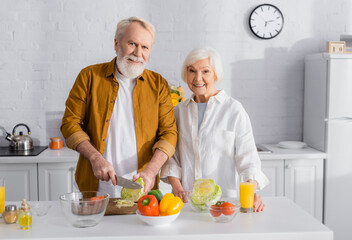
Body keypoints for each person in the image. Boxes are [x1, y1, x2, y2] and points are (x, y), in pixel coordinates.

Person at [61, 17, 177, 196]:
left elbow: (169, 133)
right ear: (116, 43)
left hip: (141, 189)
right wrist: (95, 157)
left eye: (145, 47)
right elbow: (70, 124)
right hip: (94, 188)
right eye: (132, 43)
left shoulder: (158, 84)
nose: (138, 53)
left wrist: (151, 171)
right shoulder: (89, 76)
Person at [160, 48, 269, 212]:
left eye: (205, 71)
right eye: (192, 71)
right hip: (186, 204)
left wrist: (251, 192)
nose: (198, 78)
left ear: (216, 75)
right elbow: (172, 156)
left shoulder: (233, 110)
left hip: (223, 204)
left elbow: (248, 160)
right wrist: (177, 187)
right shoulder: (179, 111)